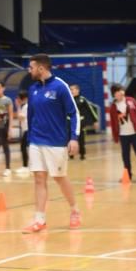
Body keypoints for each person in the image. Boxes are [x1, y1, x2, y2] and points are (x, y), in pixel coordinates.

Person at [23, 53, 81, 233]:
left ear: (41, 68)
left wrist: (74, 137)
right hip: (36, 141)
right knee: (39, 178)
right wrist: (29, 138)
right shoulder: (32, 89)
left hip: (56, 142)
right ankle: (39, 219)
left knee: (59, 178)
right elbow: (30, 116)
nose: (29, 70)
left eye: (31, 67)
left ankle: (75, 210)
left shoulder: (60, 86)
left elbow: (74, 113)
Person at [109, 84, 136, 182]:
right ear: (114, 94)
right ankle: (128, 175)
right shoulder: (113, 107)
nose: (121, 92)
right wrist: (115, 136)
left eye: (122, 90)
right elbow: (113, 123)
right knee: (125, 157)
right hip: (123, 135)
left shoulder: (131, 100)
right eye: (118, 91)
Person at [69, 83, 98, 160]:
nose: (71, 91)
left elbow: (90, 110)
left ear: (78, 90)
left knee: (81, 139)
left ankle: (82, 154)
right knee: (70, 139)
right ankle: (71, 154)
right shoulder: (68, 99)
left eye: (73, 89)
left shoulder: (82, 99)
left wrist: (95, 120)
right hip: (70, 123)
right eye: (70, 89)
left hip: (81, 123)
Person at [15, 91, 29, 172]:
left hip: (28, 130)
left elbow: (20, 117)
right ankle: (27, 166)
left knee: (23, 147)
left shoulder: (26, 107)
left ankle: (25, 166)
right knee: (26, 147)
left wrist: (18, 106)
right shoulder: (26, 106)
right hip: (26, 130)